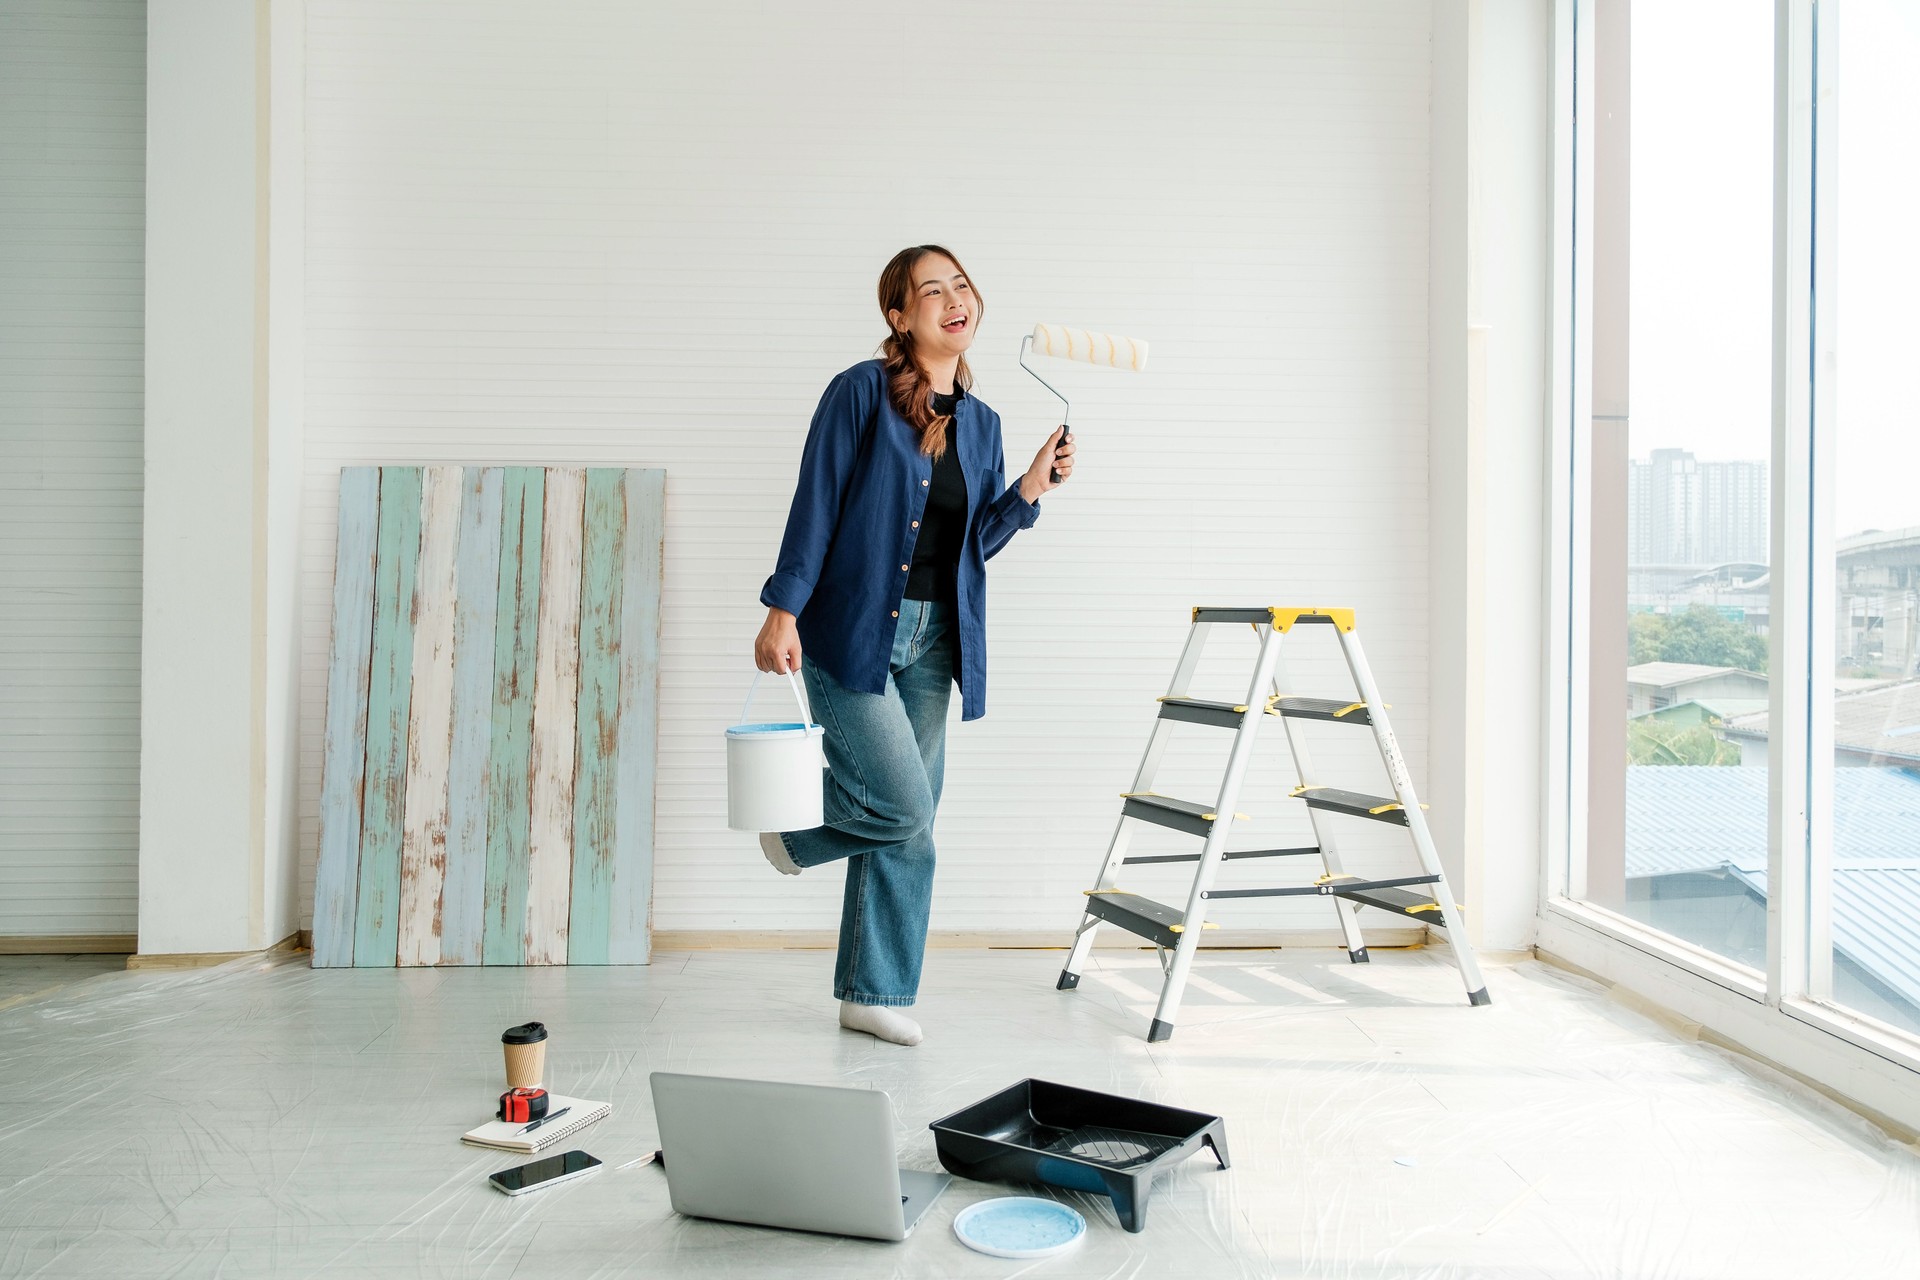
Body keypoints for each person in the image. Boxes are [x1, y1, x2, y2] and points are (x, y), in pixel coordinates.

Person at [753, 245, 1074, 1046]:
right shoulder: (859, 392)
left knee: (913, 821)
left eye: (960, 285)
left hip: (936, 644)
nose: (952, 299)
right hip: (851, 628)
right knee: (905, 808)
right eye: (931, 291)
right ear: (900, 317)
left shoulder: (986, 424)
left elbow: (972, 546)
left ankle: (875, 995)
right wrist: (782, 608)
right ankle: (794, 837)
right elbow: (817, 500)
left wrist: (1028, 489)